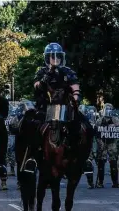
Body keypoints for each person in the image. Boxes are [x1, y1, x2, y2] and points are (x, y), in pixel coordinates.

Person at [22, 42, 90, 173]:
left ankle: (85, 158)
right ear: (47, 58)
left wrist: (75, 100)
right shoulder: (41, 71)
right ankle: (32, 158)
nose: (56, 59)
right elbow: (36, 87)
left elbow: (76, 89)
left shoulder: (68, 71)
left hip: (65, 107)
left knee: (86, 125)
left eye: (58, 57)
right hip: (45, 107)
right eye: (53, 57)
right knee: (31, 125)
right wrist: (45, 78)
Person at [95, 103, 119, 188]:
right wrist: (100, 144)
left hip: (112, 143)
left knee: (113, 162)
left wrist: (115, 143)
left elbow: (117, 132)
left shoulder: (116, 120)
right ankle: (100, 182)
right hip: (102, 143)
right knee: (101, 162)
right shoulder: (99, 120)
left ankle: (115, 182)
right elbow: (97, 134)